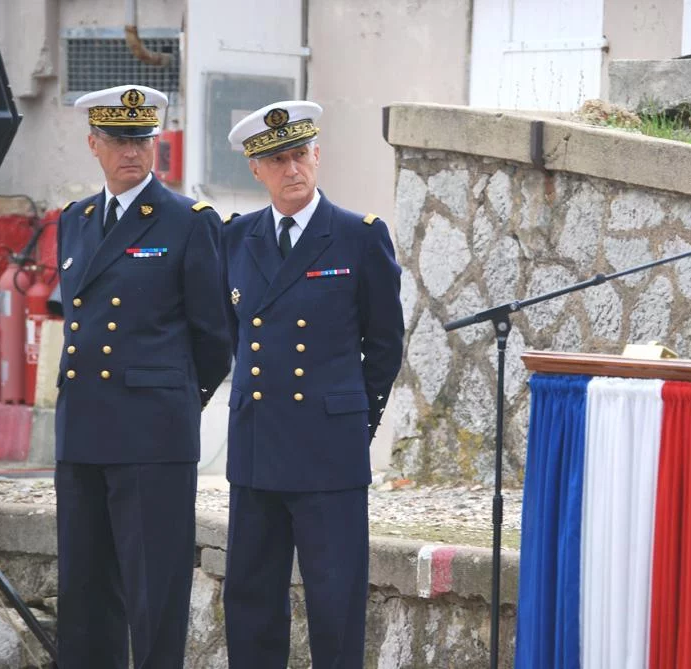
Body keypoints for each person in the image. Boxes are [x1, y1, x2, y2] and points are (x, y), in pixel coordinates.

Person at [220, 100, 404, 668]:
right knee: (250, 600)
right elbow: (233, 331)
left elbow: (385, 346)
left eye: (299, 154)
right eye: (276, 159)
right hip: (256, 449)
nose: (291, 168)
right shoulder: (236, 237)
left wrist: (353, 421)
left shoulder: (357, 236)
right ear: (256, 169)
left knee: (336, 602)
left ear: (317, 156)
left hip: (329, 453)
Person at [54, 84, 232, 668]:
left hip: (153, 437)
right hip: (82, 431)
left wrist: (174, 400)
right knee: (83, 592)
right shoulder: (74, 221)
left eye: (142, 139)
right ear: (94, 144)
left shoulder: (188, 221)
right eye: (118, 140)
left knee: (155, 596)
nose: (133, 151)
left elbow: (215, 338)